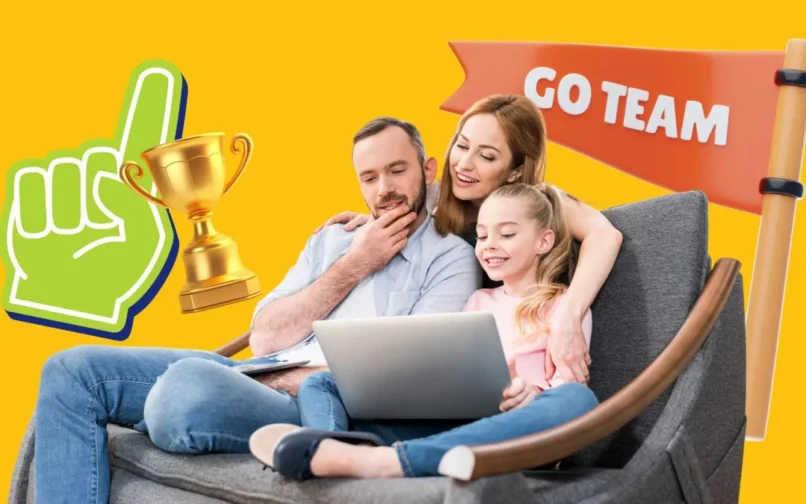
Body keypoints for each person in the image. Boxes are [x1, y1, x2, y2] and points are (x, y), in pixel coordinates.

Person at [32, 117, 482, 504]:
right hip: (257, 371)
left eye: (396, 170)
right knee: (71, 371)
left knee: (184, 389)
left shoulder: (449, 259)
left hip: (316, 404)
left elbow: (411, 377)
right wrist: (355, 264)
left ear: (426, 170)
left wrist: (285, 379)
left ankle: (167, 406)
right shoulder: (335, 241)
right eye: (369, 178)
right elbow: (265, 337)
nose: (384, 189)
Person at [249, 182, 599, 480]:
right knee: (322, 381)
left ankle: (374, 461)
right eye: (481, 235)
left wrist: (533, 395)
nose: (489, 244)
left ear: (544, 241)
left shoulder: (566, 306)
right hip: (452, 424)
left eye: (506, 234)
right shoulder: (478, 299)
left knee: (580, 401)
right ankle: (336, 450)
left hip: (517, 434)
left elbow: (569, 389)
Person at [316, 94, 623, 387]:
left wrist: (569, 316)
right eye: (462, 146)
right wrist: (371, 220)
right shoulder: (437, 197)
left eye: (487, 156)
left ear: (516, 171)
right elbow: (399, 196)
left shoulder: (539, 203)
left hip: (528, 361)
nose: (464, 164)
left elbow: (605, 234)